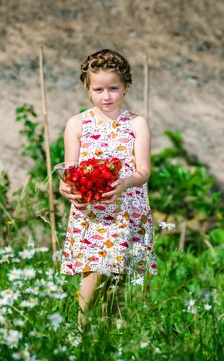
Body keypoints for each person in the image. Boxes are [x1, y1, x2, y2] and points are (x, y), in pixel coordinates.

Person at [58, 49, 157, 329]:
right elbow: (70, 170)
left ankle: (113, 330)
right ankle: (81, 329)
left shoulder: (137, 123)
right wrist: (66, 187)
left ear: (125, 87)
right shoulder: (77, 124)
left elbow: (144, 171)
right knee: (94, 269)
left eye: (113, 88)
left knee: (120, 275)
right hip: (92, 210)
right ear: (88, 89)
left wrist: (125, 182)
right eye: (99, 89)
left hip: (126, 207)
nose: (107, 96)